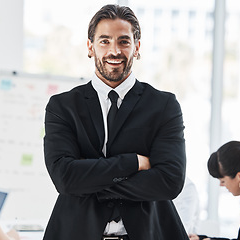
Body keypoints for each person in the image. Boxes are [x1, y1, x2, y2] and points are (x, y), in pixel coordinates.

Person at [43, 4, 187, 240]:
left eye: (123, 41)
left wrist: (90, 184)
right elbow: (65, 177)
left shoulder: (163, 105)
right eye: (104, 41)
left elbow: (169, 181)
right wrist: (133, 162)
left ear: (136, 47)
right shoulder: (62, 107)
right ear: (90, 47)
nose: (114, 51)